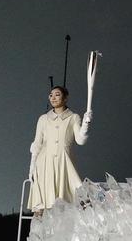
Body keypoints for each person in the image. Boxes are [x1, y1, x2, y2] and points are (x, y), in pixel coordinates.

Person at [27, 86, 93, 214]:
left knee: (72, 202)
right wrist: (32, 167)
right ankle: (39, 232)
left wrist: (86, 124)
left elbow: (80, 140)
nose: (53, 97)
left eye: (57, 94)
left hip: (64, 163)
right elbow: (37, 144)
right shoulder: (43, 119)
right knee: (41, 205)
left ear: (65, 97)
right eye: (51, 95)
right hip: (44, 164)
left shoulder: (73, 117)